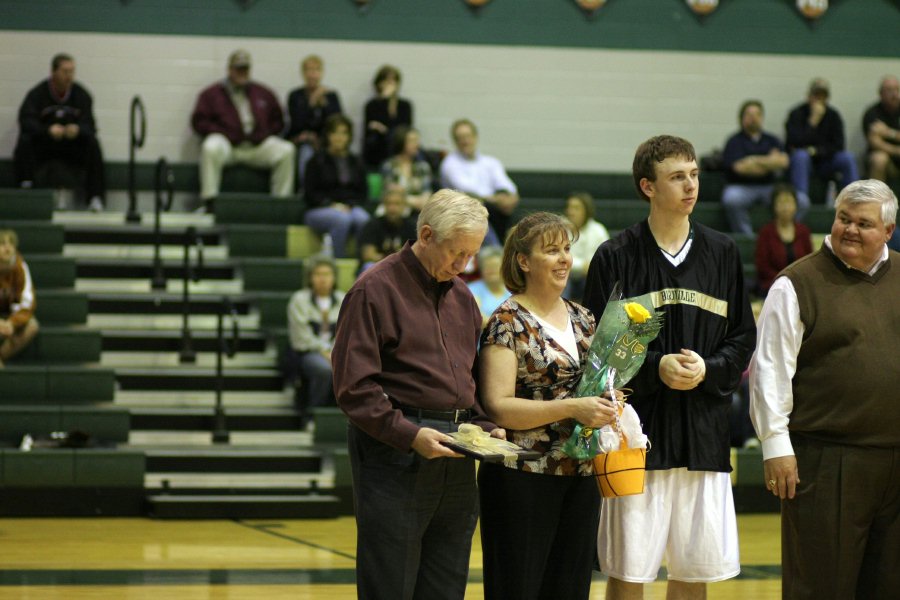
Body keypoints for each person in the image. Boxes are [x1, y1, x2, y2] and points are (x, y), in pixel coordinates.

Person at [582, 135, 756, 599]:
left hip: (703, 435)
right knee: (628, 572)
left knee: (693, 573)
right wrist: (656, 367)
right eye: (677, 176)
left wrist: (710, 367)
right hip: (636, 438)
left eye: (695, 174)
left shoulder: (723, 253)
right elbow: (598, 351)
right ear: (648, 186)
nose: (691, 185)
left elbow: (742, 338)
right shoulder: (615, 256)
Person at [332, 189, 503, 600]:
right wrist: (410, 435)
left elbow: (466, 379)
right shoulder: (373, 289)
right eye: (456, 253)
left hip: (458, 455)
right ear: (425, 235)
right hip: (397, 454)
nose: (464, 266)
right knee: (390, 583)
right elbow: (354, 389)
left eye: (472, 255)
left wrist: (485, 425)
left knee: (446, 584)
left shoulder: (463, 296)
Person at [749, 179, 900, 599]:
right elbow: (770, 371)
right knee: (821, 585)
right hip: (826, 460)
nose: (849, 229)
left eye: (863, 223)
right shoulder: (796, 283)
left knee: (889, 583)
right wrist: (776, 445)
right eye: (843, 219)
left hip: (896, 459)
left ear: (888, 231)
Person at [478, 211, 617, 600]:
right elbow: (499, 405)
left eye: (567, 250)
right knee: (518, 588)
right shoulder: (506, 320)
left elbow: (593, 386)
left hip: (581, 473)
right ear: (524, 261)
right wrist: (574, 407)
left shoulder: (585, 317)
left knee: (570, 590)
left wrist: (607, 399)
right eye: (551, 250)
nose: (564, 259)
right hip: (521, 476)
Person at [190, 49, 295, 211]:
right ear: (229, 70)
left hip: (256, 146)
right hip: (228, 145)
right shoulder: (212, 94)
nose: (242, 73)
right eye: (238, 69)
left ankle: (280, 205)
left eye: (245, 69)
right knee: (210, 147)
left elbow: (278, 120)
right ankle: (210, 202)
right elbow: (199, 121)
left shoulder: (263, 93)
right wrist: (222, 132)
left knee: (286, 150)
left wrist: (264, 134)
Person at [13, 53, 106, 212]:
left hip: (71, 147)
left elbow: (90, 124)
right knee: (25, 141)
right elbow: (26, 120)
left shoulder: (82, 95)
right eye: (65, 71)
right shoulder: (37, 94)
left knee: (93, 143)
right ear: (53, 72)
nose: (69, 76)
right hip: (45, 145)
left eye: (72, 71)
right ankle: (26, 187)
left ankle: (95, 197)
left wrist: (78, 130)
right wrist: (47, 130)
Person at [721, 100, 797, 234]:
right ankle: (747, 238)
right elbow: (740, 168)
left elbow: (784, 162)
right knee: (731, 199)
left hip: (770, 187)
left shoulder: (772, 139)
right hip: (742, 187)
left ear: (762, 117)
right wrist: (769, 162)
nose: (753, 118)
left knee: (801, 201)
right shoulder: (734, 141)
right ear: (742, 118)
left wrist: (752, 160)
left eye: (757, 114)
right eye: (749, 114)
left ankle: (777, 235)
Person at [440, 118, 519, 244]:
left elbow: (508, 187)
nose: (465, 141)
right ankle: (496, 253)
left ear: (475, 137)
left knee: (510, 212)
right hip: (463, 215)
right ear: (455, 141)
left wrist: (507, 197)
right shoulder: (450, 164)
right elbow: (469, 191)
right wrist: (498, 199)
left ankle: (511, 253)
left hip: (496, 210)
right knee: (478, 208)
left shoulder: (491, 162)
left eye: (468, 136)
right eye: (460, 138)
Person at [285, 258, 344, 425]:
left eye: (326, 274)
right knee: (324, 370)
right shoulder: (299, 300)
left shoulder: (343, 299)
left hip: (337, 352)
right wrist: (323, 350)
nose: (322, 278)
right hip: (308, 352)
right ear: (310, 277)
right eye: (317, 274)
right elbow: (300, 336)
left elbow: (348, 332)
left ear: (334, 277)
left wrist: (334, 351)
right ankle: (312, 414)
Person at [304, 113, 371, 259]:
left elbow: (363, 193)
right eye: (334, 132)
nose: (339, 137)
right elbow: (309, 194)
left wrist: (349, 205)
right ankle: (339, 261)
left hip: (350, 207)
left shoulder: (356, 162)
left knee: (363, 219)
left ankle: (361, 263)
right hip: (319, 209)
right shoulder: (316, 161)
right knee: (341, 219)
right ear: (328, 135)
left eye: (343, 133)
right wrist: (332, 205)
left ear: (349, 136)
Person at [785, 78, 859, 205]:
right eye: (816, 95)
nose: (819, 99)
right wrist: (812, 122)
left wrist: (816, 151)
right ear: (808, 96)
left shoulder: (833, 115)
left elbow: (839, 145)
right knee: (800, 156)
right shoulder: (796, 114)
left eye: (822, 96)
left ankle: (854, 199)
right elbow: (793, 142)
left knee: (848, 158)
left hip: (827, 160)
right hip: (805, 163)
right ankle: (802, 200)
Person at [285, 54, 343, 189]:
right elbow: (298, 123)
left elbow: (336, 123)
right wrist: (311, 104)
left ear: (322, 73)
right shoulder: (295, 96)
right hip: (303, 141)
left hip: (325, 141)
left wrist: (325, 107)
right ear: (303, 73)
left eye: (316, 70)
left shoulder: (331, 96)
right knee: (307, 152)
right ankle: (306, 189)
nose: (312, 74)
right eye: (309, 70)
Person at [754, 183, 813, 296]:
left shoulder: (804, 231)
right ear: (774, 206)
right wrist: (783, 282)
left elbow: (809, 262)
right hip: (771, 287)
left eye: (789, 202)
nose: (785, 207)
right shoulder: (765, 232)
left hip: (800, 287)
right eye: (781, 203)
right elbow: (762, 266)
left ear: (796, 206)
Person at [0, 230, 39, 367]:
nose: (7, 247)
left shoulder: (20, 267)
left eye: (11, 243)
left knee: (32, 325)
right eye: (2, 243)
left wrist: (12, 323)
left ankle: (1, 356)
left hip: (10, 316)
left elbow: (27, 302)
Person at [362, 65, 413, 169]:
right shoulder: (372, 105)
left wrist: (385, 130)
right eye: (386, 80)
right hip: (378, 151)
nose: (390, 83)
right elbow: (371, 132)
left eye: (394, 80)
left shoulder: (405, 105)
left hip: (399, 149)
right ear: (379, 83)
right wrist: (384, 100)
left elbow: (404, 130)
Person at [357, 185, 417, 271]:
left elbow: (416, 255)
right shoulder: (372, 225)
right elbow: (368, 255)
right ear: (384, 205)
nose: (392, 208)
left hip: (403, 268)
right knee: (368, 266)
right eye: (389, 203)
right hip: (378, 268)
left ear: (404, 206)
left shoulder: (412, 227)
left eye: (397, 204)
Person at [564, 191, 610, 301]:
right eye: (569, 207)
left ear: (586, 211)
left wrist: (579, 265)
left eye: (576, 208)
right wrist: (581, 265)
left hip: (589, 277)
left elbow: (601, 263)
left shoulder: (598, 230)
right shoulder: (561, 229)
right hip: (566, 275)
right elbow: (561, 260)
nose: (571, 212)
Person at [381, 126, 433, 214]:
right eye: (412, 141)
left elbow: (426, 198)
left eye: (417, 140)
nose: (417, 144)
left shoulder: (423, 167)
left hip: (418, 212)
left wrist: (403, 198)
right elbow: (389, 196)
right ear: (401, 142)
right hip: (394, 211)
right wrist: (413, 200)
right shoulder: (389, 166)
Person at [862, 75, 900, 184]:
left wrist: (888, 132)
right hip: (886, 157)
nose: (894, 94)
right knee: (879, 159)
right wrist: (896, 151)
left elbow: (885, 135)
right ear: (881, 93)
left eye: (897, 89)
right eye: (889, 90)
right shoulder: (872, 113)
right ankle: (876, 200)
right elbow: (874, 142)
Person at [465, 246, 510, 327]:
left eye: (495, 266)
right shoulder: (471, 290)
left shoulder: (513, 290)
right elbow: (478, 320)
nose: (492, 270)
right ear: (481, 269)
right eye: (488, 267)